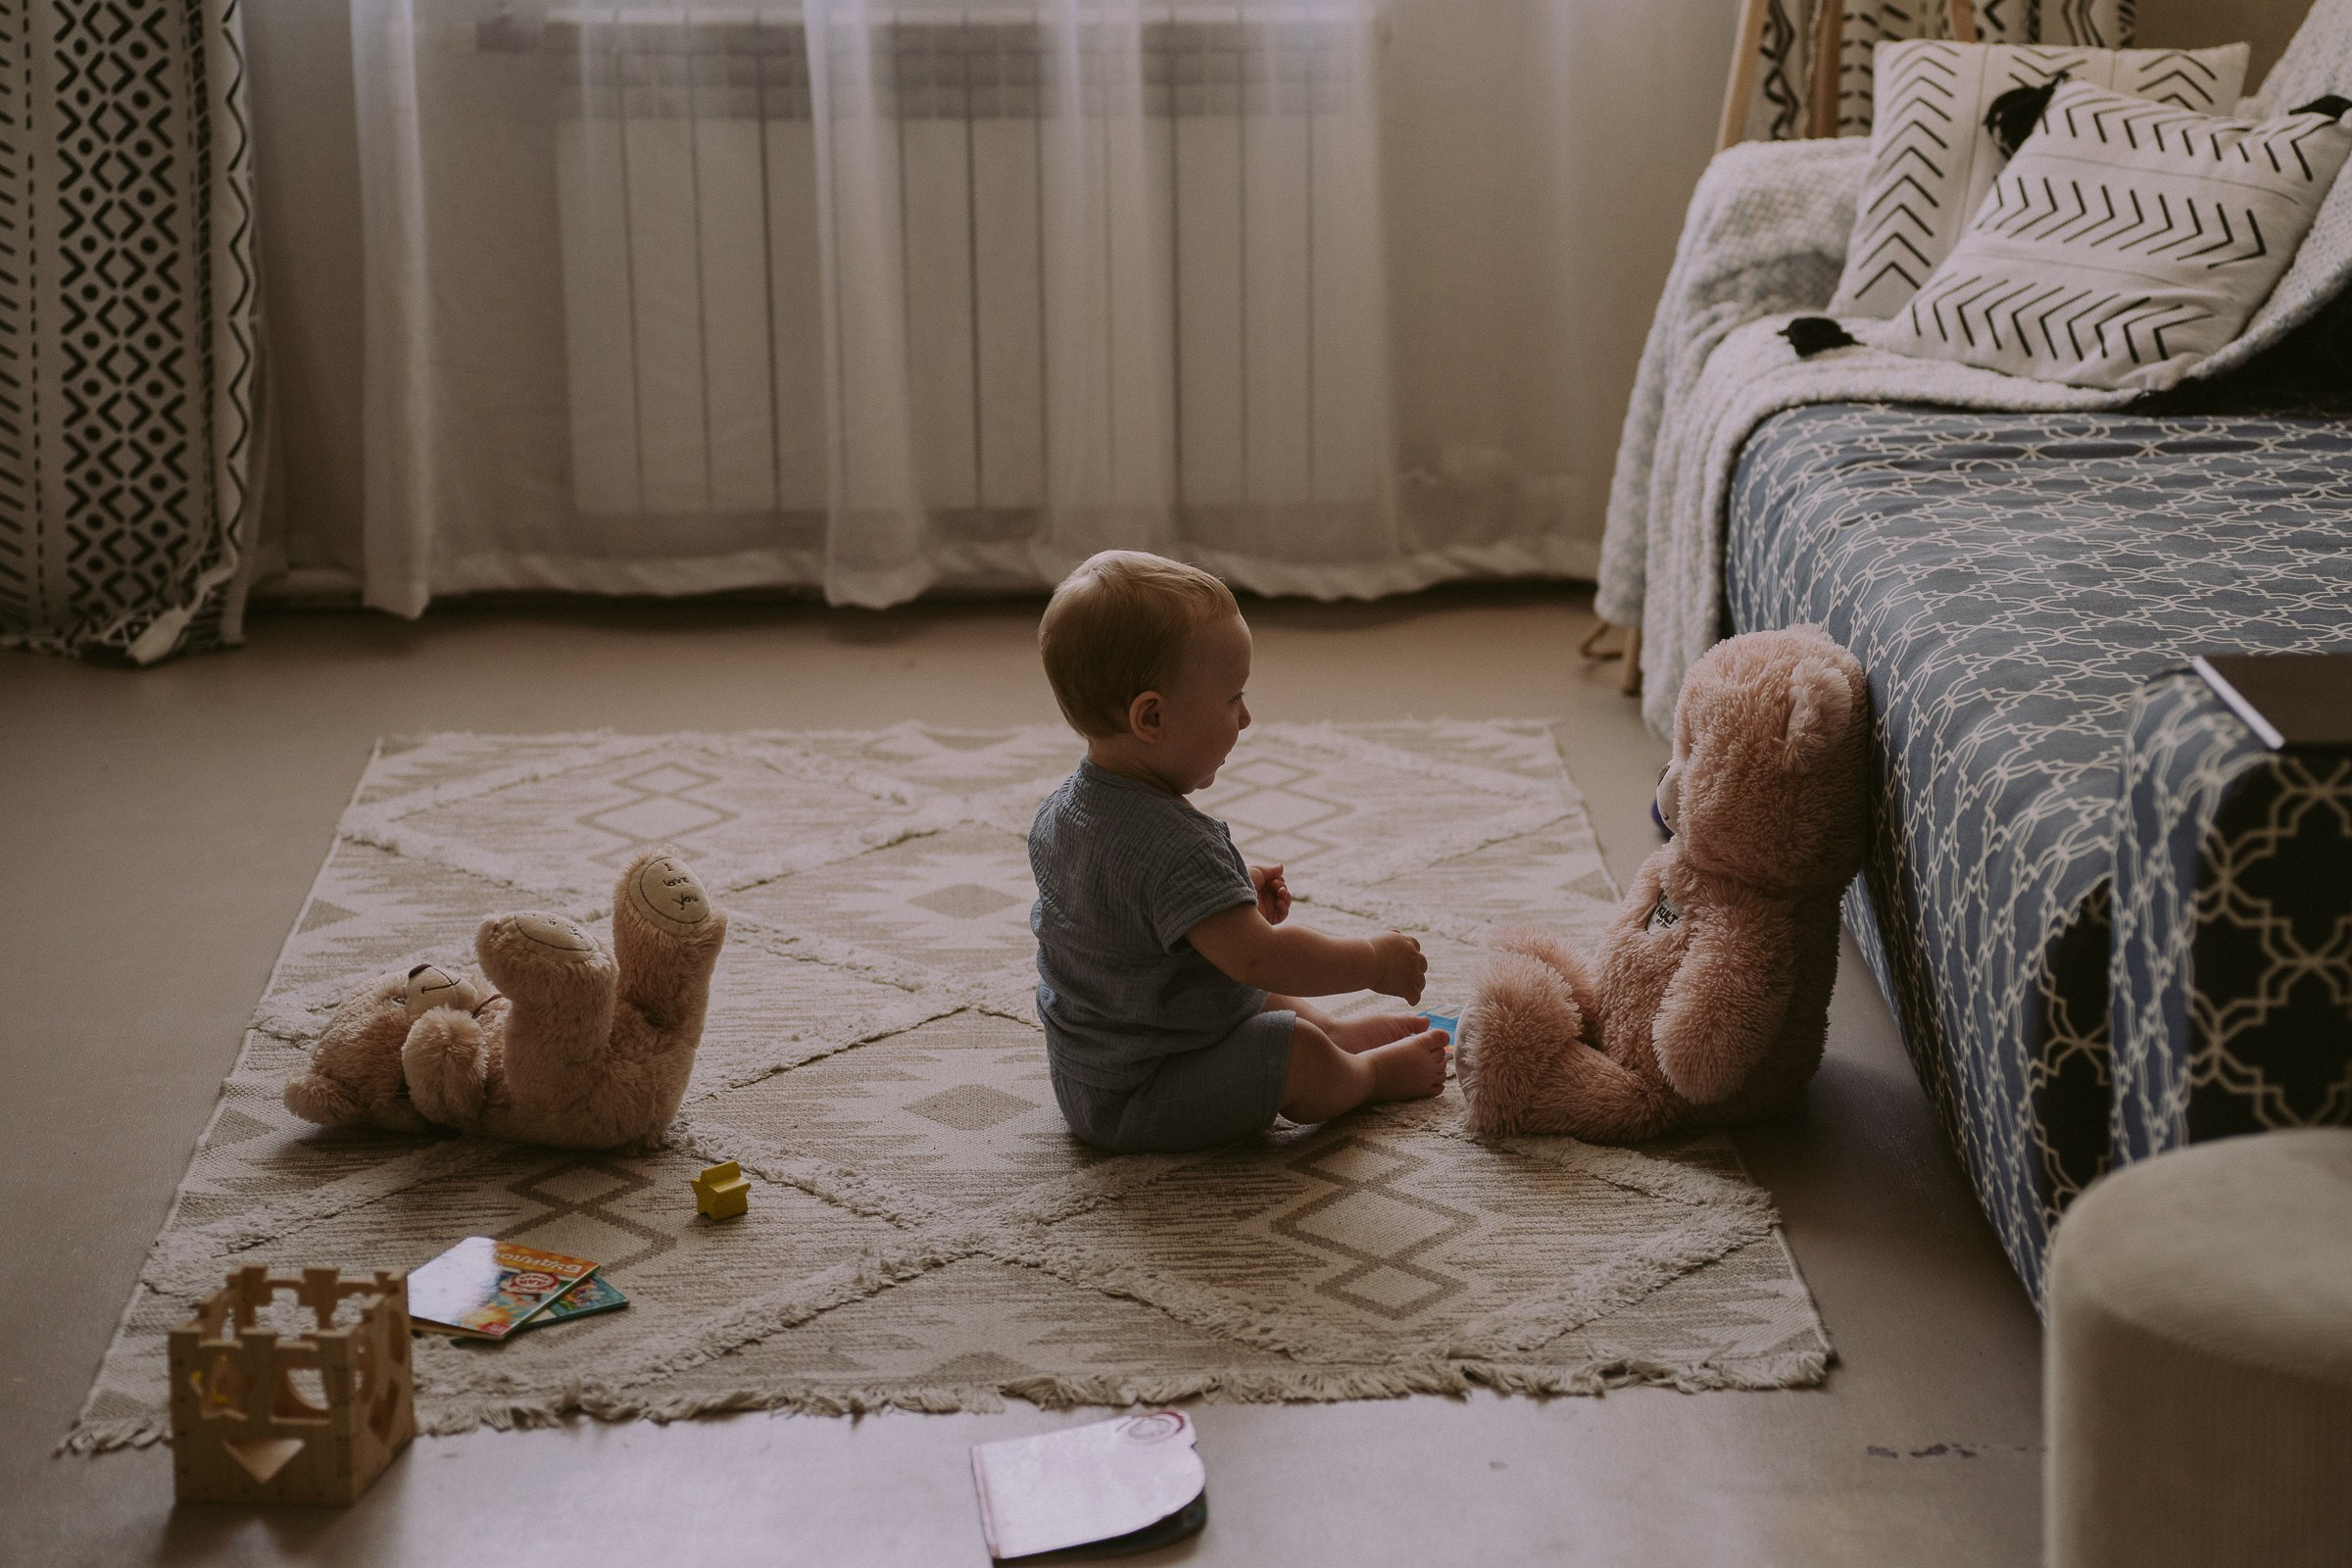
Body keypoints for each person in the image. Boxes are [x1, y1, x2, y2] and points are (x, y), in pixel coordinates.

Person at [1028, 550, 1449, 1153]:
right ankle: (1366, 1076)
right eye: (1231, 699)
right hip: (1146, 1089)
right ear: (1152, 717)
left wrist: (1228, 894)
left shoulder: (1060, 811)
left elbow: (1121, 910)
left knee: (1248, 996)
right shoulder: (1177, 845)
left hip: (1095, 1071)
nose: (1246, 718)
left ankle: (1338, 1034)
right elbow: (1261, 960)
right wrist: (1373, 962)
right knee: (1290, 1049)